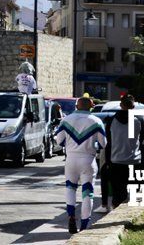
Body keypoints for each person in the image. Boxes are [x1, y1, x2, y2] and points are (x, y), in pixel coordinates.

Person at [54, 96, 106, 234]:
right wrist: (92, 144)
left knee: (70, 189)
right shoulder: (96, 121)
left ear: (76, 106)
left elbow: (59, 141)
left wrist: (71, 145)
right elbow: (103, 144)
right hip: (88, 160)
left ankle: (71, 216)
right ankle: (84, 225)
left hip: (71, 159)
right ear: (91, 106)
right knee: (87, 193)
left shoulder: (66, 120)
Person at [105, 94, 143, 208]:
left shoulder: (111, 121)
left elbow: (109, 142)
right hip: (134, 160)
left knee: (118, 193)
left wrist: (107, 161)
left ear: (121, 105)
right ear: (133, 106)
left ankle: (116, 209)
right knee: (134, 192)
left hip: (116, 160)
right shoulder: (137, 121)